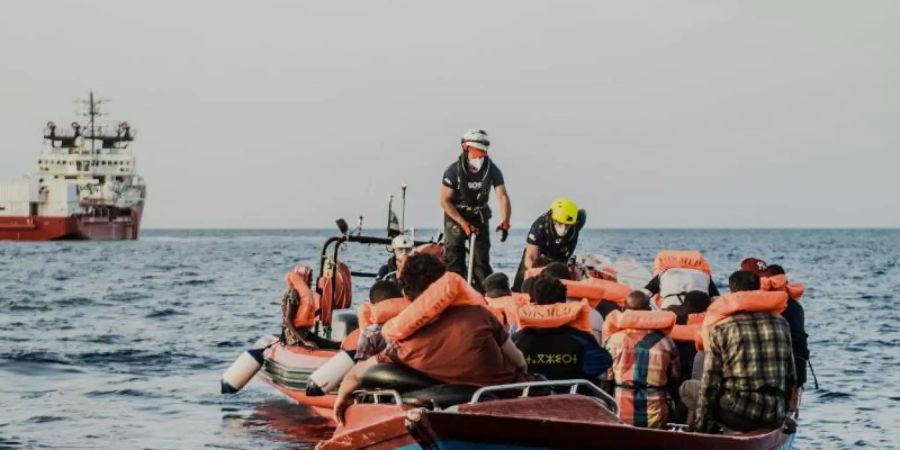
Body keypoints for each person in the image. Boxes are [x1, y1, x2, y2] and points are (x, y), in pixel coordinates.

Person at [333, 253, 526, 424]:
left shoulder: (404, 342)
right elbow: (519, 361)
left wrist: (342, 396)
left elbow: (357, 374)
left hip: (438, 412)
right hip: (501, 407)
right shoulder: (481, 315)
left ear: (406, 296)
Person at [683, 270, 797, 433]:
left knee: (687, 388)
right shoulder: (782, 323)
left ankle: (717, 432)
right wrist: (783, 415)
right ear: (759, 290)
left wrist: (701, 427)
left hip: (739, 414)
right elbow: (791, 376)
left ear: (732, 294)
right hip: (773, 414)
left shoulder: (722, 328)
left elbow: (710, 383)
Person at [439, 129, 511, 290]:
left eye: (482, 154)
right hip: (456, 215)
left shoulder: (492, 169)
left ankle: (484, 296)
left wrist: (505, 221)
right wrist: (463, 224)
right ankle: (453, 294)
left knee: (481, 261)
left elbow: (502, 196)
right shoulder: (453, 172)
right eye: (476, 153)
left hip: (479, 215)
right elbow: (444, 201)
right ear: (465, 148)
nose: (479, 157)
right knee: (454, 258)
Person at [603, 290, 680, 428]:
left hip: (620, 414)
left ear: (623, 311)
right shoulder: (666, 342)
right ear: (649, 311)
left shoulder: (612, 341)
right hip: (656, 416)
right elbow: (674, 379)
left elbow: (606, 383)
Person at [513, 276, 612, 381]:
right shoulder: (582, 339)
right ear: (564, 302)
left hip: (528, 395)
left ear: (534, 301)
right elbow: (604, 362)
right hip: (572, 395)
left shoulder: (517, 340)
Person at [512, 198, 586, 291]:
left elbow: (583, 212)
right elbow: (530, 256)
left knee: (561, 283)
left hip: (561, 256)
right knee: (521, 282)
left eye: (567, 225)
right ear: (552, 219)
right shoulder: (539, 226)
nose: (563, 229)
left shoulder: (578, 220)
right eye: (560, 224)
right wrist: (540, 272)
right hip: (540, 256)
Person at [767, 264, 809, 388]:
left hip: (780, 371)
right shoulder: (794, 306)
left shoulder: (789, 307)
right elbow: (800, 342)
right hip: (791, 369)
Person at [354, 280, 406, 361]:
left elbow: (361, 362)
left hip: (376, 370)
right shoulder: (411, 325)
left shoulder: (370, 332)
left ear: (374, 305)